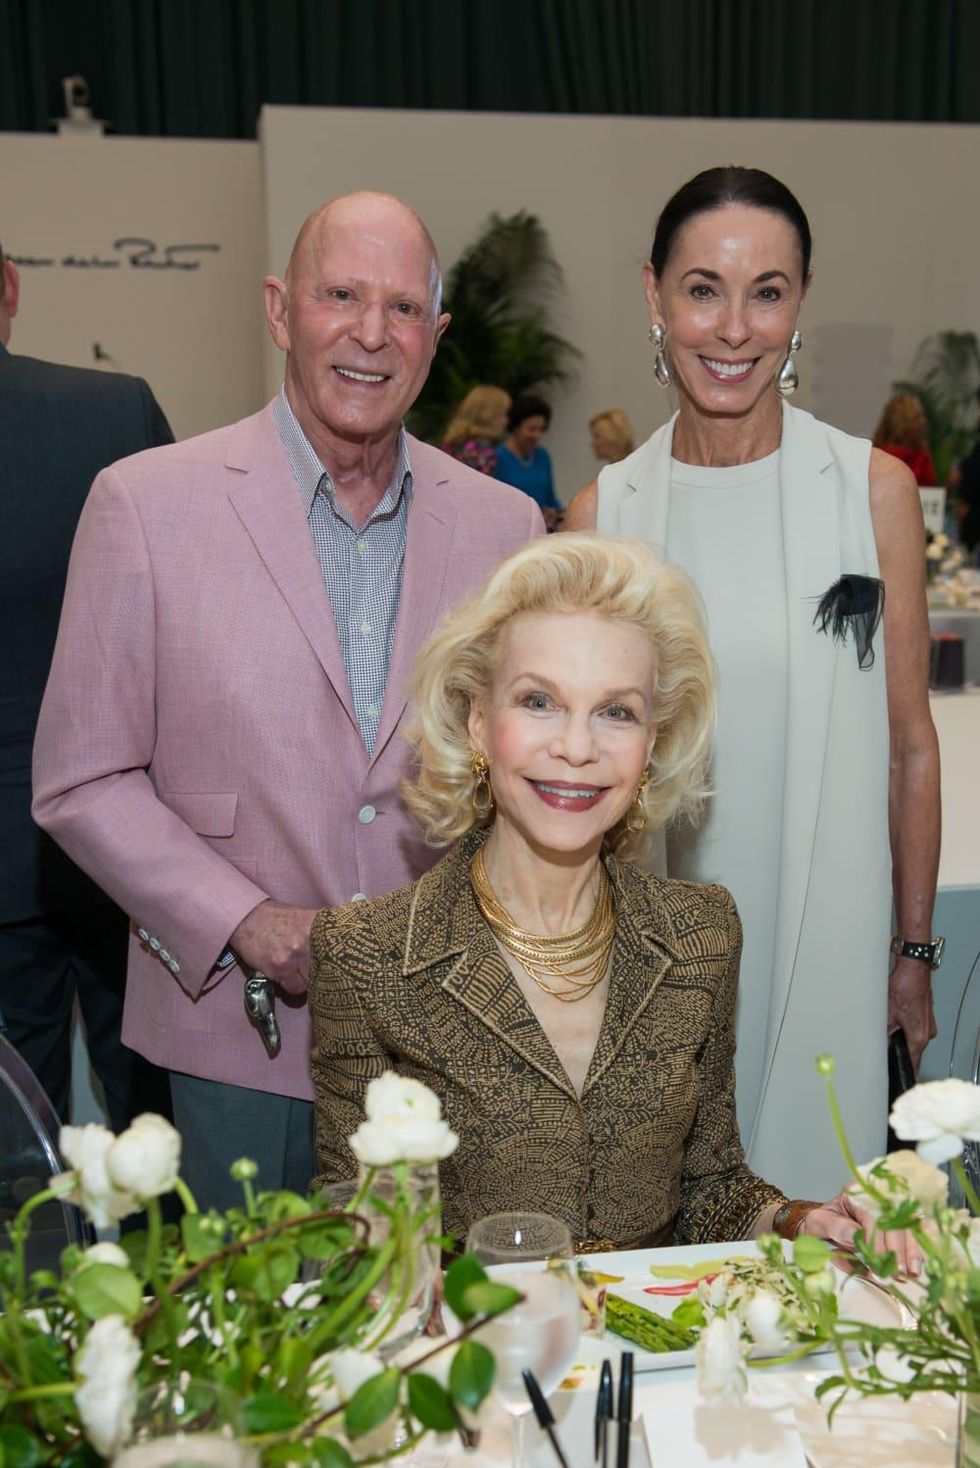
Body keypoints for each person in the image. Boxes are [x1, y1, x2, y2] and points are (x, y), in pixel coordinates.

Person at [32, 192, 544, 1208]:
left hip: (444, 1038)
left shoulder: (504, 526)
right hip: (238, 1025)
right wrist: (246, 920)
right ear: (279, 311)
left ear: (435, 339)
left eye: (402, 309)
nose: (369, 333)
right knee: (258, 1349)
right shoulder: (144, 504)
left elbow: (519, 768)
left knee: (435, 1339)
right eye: (340, 296)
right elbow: (81, 778)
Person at [309, 534, 919, 1271]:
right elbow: (350, 1235)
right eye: (539, 702)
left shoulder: (701, 934)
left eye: (616, 713)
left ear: (653, 741)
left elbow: (712, 1188)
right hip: (478, 1361)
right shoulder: (368, 953)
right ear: (477, 721)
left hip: (654, 1368)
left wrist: (798, 1222)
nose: (576, 746)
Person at [565, 167, 940, 1199]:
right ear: (652, 295)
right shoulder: (605, 514)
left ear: (798, 302)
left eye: (765, 291)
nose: (732, 327)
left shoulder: (868, 493)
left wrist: (910, 950)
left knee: (824, 1264)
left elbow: (908, 742)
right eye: (701, 289)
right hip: (650, 964)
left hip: (833, 938)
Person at [0, 236, 174, 1131]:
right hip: (132, 840)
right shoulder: (112, 411)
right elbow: (198, 618)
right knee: (156, 1132)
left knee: (16, 1149)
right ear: (12, 288)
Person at [494, 394, 563, 526]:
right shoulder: (498, 457)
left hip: (542, 528)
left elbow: (550, 497)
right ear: (516, 427)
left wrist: (556, 512)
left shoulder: (543, 456)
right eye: (531, 429)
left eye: (541, 430)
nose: (537, 435)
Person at [441, 385, 510, 475]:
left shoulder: (452, 442)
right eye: (502, 414)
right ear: (487, 414)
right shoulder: (482, 450)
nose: (506, 421)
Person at [872, 393, 938, 486]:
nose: (923, 422)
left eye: (922, 416)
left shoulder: (923, 455)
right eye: (916, 418)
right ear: (901, 424)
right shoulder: (883, 457)